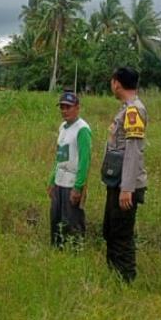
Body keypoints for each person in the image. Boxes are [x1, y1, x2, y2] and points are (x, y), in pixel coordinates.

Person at [101, 67, 148, 282]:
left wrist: (127, 188)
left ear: (116, 83)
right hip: (117, 181)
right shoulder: (126, 109)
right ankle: (114, 277)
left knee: (121, 234)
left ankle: (126, 280)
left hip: (125, 184)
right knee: (110, 230)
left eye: (112, 82)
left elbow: (133, 150)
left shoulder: (133, 111)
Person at [47, 90, 92, 248]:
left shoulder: (82, 129)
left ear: (77, 108)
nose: (64, 111)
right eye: (62, 107)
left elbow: (85, 161)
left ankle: (75, 251)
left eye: (68, 107)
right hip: (59, 180)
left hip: (72, 182)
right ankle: (57, 251)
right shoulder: (63, 127)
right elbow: (60, 156)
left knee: (72, 222)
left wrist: (78, 187)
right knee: (56, 220)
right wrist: (52, 180)